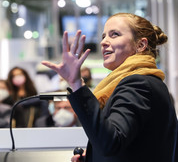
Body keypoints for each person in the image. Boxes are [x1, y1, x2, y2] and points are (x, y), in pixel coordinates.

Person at [42, 13, 177, 162]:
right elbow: (132, 145)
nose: (104, 42)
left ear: (140, 45)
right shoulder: (145, 80)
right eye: (103, 36)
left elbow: (110, 143)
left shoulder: (138, 84)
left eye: (114, 35)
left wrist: (76, 83)